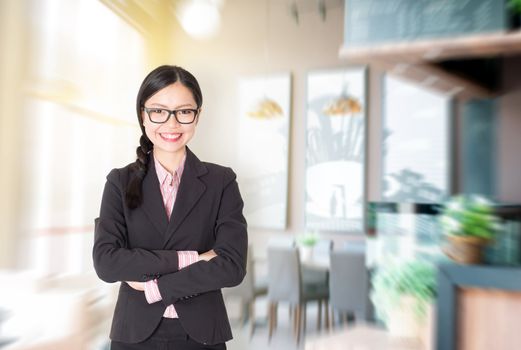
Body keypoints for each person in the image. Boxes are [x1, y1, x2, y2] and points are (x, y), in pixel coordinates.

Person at [93, 65, 248, 349]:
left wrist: (157, 288)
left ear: (197, 115)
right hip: (134, 334)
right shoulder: (118, 181)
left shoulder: (222, 181)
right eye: (159, 111)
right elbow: (107, 262)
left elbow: (232, 266)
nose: (172, 124)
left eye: (184, 112)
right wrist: (192, 259)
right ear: (143, 115)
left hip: (202, 334)